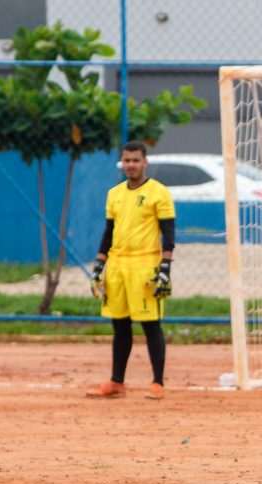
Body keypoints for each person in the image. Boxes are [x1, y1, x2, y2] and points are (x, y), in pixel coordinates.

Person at [86, 140, 176, 400]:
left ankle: (157, 383)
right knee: (120, 326)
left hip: (144, 267)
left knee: (151, 325)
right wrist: (99, 266)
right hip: (117, 267)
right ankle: (117, 382)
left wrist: (165, 267)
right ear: (122, 163)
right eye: (127, 160)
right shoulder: (114, 194)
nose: (131, 165)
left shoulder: (159, 192)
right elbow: (108, 232)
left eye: (136, 160)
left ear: (145, 162)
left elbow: (168, 233)